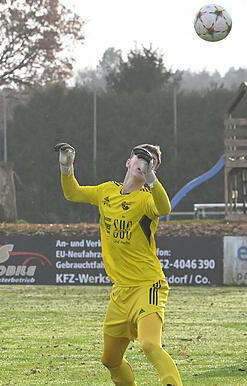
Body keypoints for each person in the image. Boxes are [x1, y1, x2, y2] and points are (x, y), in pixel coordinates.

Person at [55, 142, 181, 386]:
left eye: (151, 161)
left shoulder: (146, 199)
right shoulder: (107, 192)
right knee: (110, 359)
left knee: (149, 344)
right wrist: (66, 167)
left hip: (148, 285)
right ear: (128, 162)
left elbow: (165, 208)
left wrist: (151, 177)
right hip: (121, 291)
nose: (144, 162)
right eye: (140, 157)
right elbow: (73, 193)